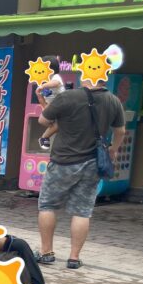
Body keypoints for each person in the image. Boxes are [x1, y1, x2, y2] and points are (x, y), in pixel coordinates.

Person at [34, 77, 125, 269]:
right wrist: (113, 149)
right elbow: (121, 131)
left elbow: (43, 120)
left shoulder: (68, 97)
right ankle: (74, 258)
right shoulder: (113, 100)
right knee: (82, 210)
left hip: (62, 160)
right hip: (93, 162)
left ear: (84, 75)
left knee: (48, 205)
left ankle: (46, 252)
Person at [34, 56, 65, 149]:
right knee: (43, 120)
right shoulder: (42, 82)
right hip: (52, 106)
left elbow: (55, 83)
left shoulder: (55, 77)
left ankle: (45, 136)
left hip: (62, 104)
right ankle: (46, 135)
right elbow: (43, 100)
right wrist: (39, 96)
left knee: (58, 124)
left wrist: (43, 86)